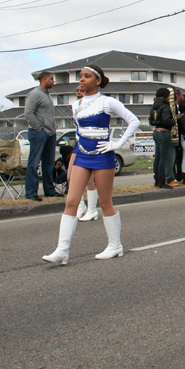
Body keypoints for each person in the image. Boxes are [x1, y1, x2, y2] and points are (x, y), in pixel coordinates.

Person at [43, 65, 139, 265]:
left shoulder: (107, 102)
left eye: (86, 76)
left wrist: (117, 144)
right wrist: (74, 155)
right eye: (80, 77)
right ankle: (62, 250)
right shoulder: (76, 105)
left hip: (103, 156)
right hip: (82, 154)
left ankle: (115, 245)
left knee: (105, 202)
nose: (82, 80)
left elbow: (134, 121)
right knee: (71, 201)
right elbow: (79, 132)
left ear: (97, 80)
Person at [24, 71, 58, 201]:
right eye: (51, 79)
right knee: (34, 163)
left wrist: (52, 129)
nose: (53, 81)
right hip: (38, 133)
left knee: (49, 164)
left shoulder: (48, 95)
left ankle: (49, 191)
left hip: (50, 133)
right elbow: (28, 113)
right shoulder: (34, 94)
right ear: (44, 79)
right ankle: (31, 193)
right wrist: (40, 128)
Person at [67, 85, 99, 221]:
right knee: (70, 176)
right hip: (78, 143)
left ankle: (92, 210)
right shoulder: (75, 106)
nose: (79, 93)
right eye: (78, 91)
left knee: (89, 179)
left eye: (81, 90)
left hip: (91, 143)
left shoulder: (96, 104)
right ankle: (81, 206)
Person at [150, 87, 176, 189]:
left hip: (156, 131)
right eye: (168, 95)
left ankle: (157, 180)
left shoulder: (154, 107)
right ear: (165, 96)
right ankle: (162, 181)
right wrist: (173, 121)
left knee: (158, 157)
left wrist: (158, 122)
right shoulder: (165, 107)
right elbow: (167, 120)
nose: (169, 97)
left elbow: (151, 121)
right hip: (164, 133)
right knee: (163, 158)